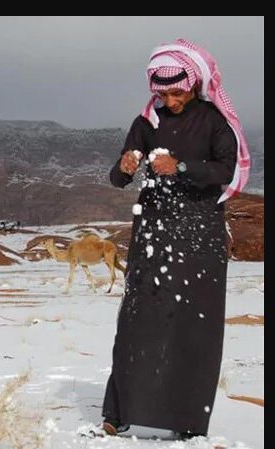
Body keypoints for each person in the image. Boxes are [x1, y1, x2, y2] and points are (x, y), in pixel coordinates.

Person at [102, 39, 251, 440]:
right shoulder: (145, 124)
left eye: (177, 91)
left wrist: (180, 167)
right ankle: (120, 412)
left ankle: (186, 420)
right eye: (162, 92)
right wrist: (125, 165)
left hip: (200, 233)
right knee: (137, 320)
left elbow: (225, 170)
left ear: (194, 83)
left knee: (193, 325)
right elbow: (117, 179)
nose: (169, 99)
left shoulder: (215, 123)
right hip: (152, 232)